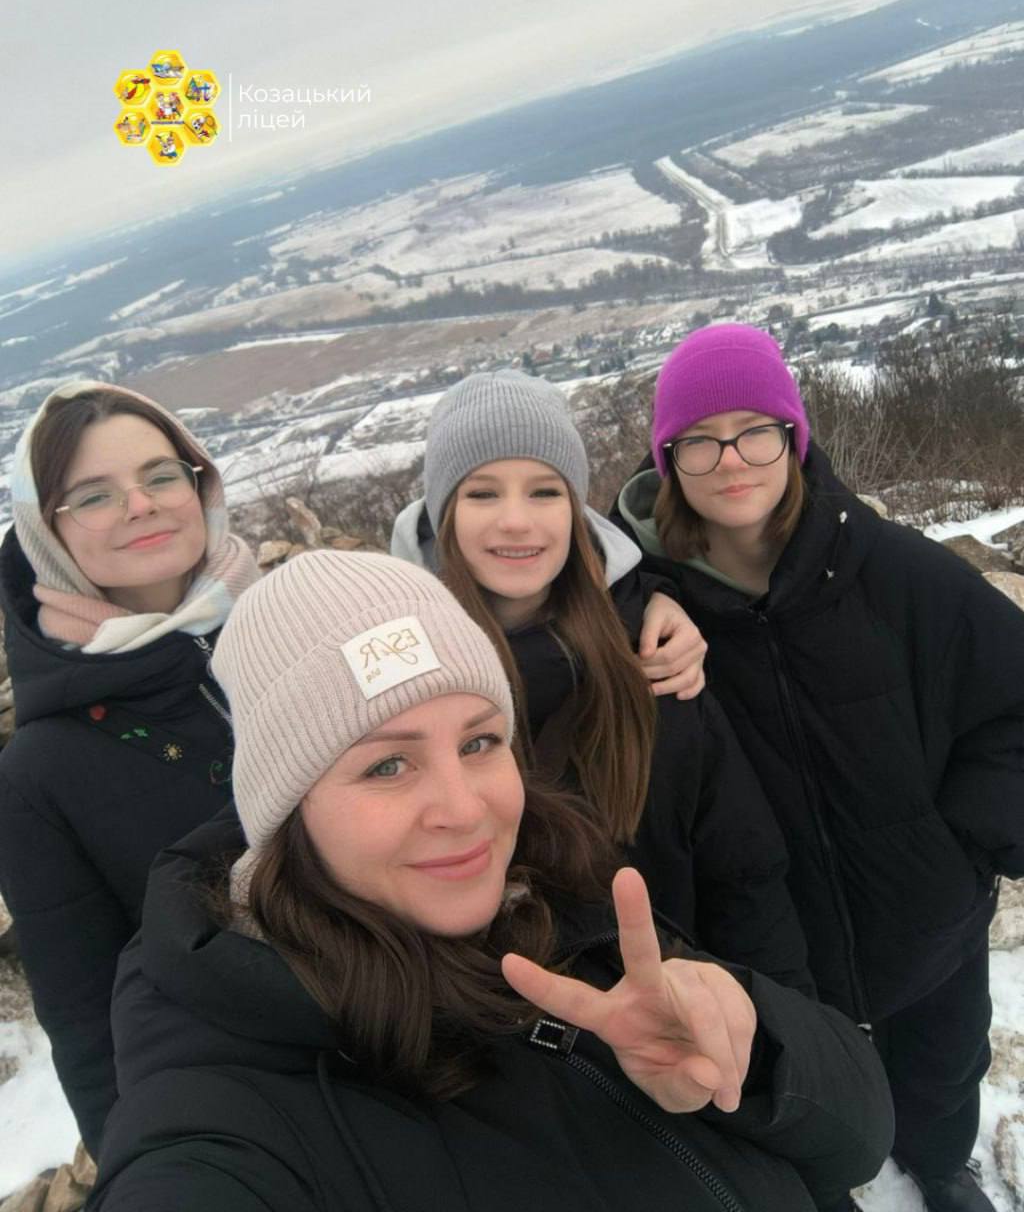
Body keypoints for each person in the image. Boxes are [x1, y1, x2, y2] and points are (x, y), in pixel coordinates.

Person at [90, 551, 893, 1211]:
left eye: (478, 743)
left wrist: (750, 1056)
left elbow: (859, 1142)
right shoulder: (233, 1105)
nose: (465, 809)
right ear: (288, 811)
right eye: (388, 764)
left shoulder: (561, 900)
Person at [611, 322, 1024, 1212]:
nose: (732, 460)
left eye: (755, 430)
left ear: (794, 436)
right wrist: (639, 598)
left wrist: (963, 846)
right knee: (801, 1096)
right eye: (700, 439)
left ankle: (941, 1167)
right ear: (667, 459)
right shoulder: (649, 617)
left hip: (926, 924)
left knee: (944, 1063)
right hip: (773, 949)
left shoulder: (897, 572)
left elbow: (1012, 701)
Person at [391, 370, 811, 992]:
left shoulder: (650, 655)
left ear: (576, 509)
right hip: (484, 1023)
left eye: (544, 492)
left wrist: (781, 1022)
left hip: (671, 1012)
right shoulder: (397, 681)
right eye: (482, 494)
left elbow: (742, 869)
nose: (516, 521)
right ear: (442, 514)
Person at [0, 380, 260, 1156]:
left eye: (159, 475)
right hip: (260, 1107)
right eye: (94, 495)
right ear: (49, 533)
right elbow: (91, 1027)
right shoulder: (39, 774)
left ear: (198, 483)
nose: (141, 505)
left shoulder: (294, 629)